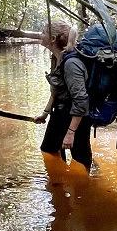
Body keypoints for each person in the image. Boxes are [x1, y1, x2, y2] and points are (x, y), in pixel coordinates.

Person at [35, 20, 93, 170]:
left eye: (43, 32)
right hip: (59, 115)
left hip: (76, 119)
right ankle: (58, 186)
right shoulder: (57, 58)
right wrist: (45, 113)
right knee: (49, 150)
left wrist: (70, 133)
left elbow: (81, 101)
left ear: (53, 38)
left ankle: (85, 189)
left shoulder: (71, 64)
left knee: (81, 161)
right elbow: (57, 90)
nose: (40, 35)